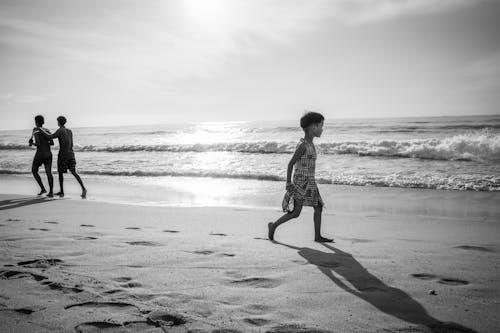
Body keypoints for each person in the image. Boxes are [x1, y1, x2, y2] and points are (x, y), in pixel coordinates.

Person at [268, 112, 333, 243]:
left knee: (318, 207)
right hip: (301, 182)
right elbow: (290, 164)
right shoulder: (303, 145)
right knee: (296, 213)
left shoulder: (311, 144)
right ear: (313, 127)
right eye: (321, 126)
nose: (322, 129)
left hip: (310, 181)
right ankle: (273, 226)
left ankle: (317, 236)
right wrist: (288, 183)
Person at [36, 116, 87, 199]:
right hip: (71, 154)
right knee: (73, 171)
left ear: (59, 122)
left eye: (57, 121)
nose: (57, 123)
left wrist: (40, 129)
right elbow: (71, 143)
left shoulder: (60, 130)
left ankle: (62, 191)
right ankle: (83, 189)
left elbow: (50, 137)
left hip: (63, 155)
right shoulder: (70, 131)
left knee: (60, 172)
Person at [29, 115, 54, 197]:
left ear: (36, 122)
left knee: (34, 171)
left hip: (40, 154)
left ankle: (43, 189)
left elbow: (38, 144)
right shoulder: (47, 130)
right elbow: (52, 143)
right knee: (49, 173)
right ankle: (51, 192)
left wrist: (32, 143)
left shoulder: (36, 130)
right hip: (48, 154)